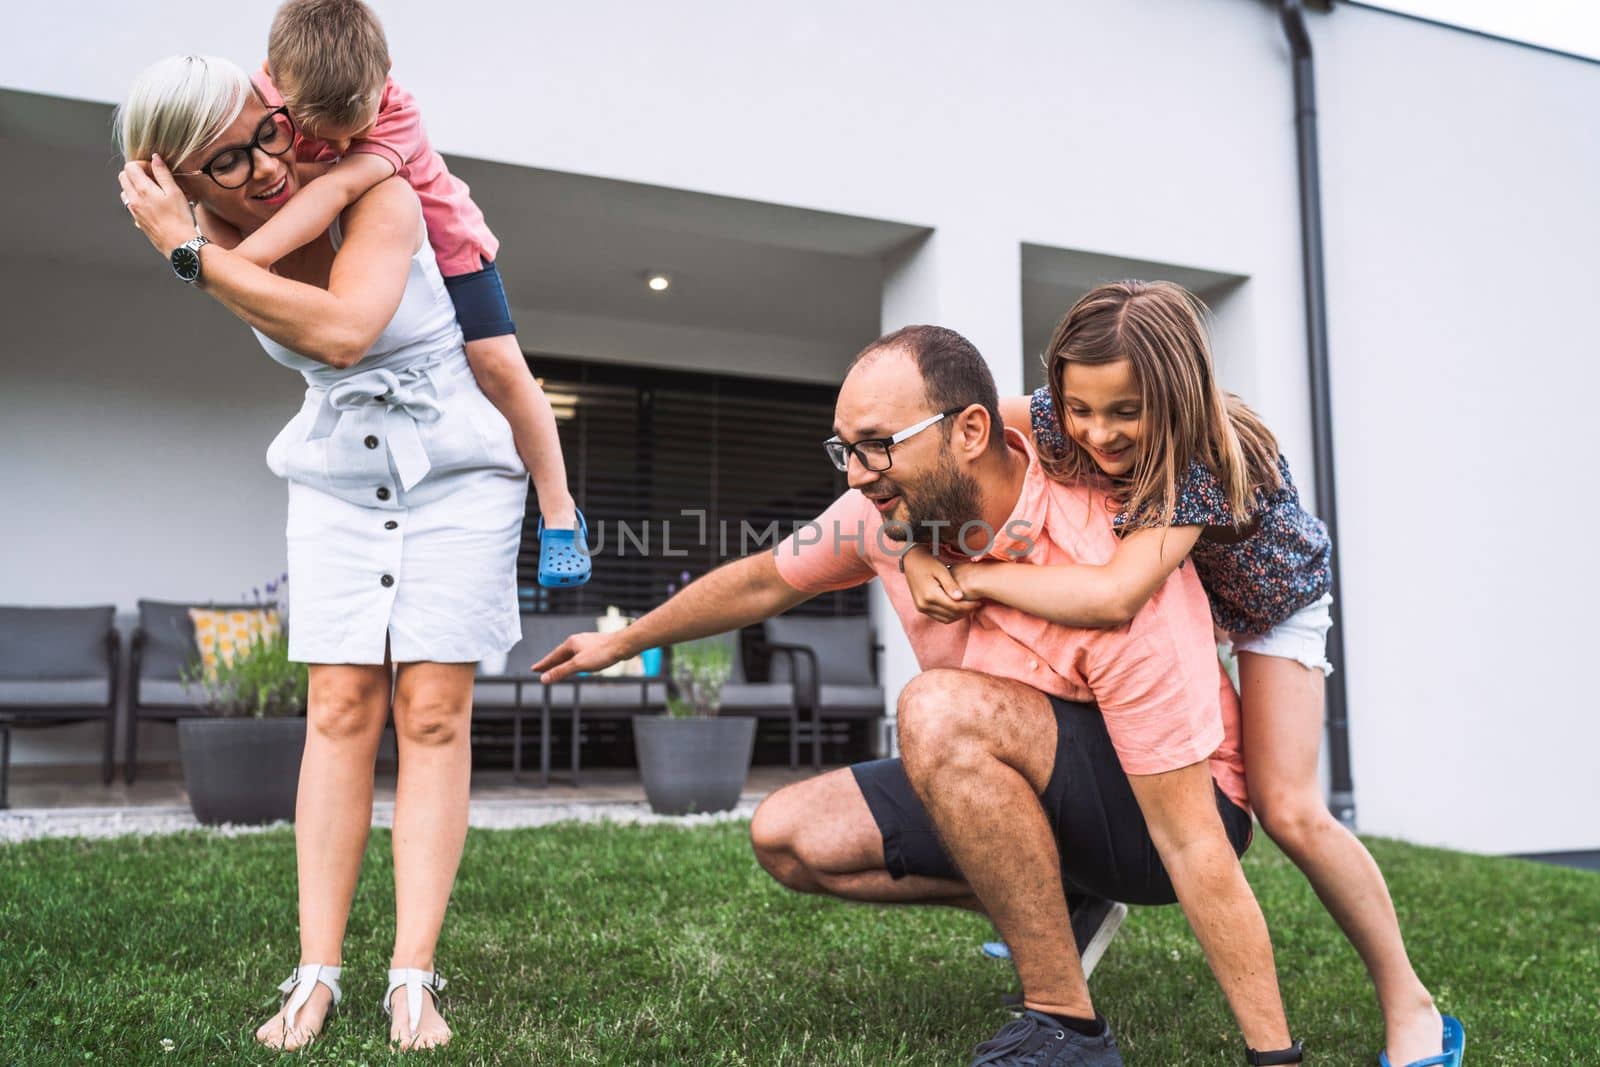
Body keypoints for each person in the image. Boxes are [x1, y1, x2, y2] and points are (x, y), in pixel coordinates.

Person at [535, 325, 1306, 1066]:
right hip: (1019, 766)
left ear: (970, 431)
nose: (856, 471)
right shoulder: (890, 519)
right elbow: (766, 577)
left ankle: (1066, 1026)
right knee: (789, 833)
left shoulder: (1109, 562)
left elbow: (1194, 845)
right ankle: (1067, 904)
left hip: (1171, 815)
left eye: (876, 445)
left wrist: (1276, 1056)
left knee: (937, 707)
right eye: (845, 448)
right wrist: (622, 640)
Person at [902, 281, 1461, 1067]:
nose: (1096, 432)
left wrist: (977, 577)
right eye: (1080, 408)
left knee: (1288, 806)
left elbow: (1113, 593)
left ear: (1176, 393)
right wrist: (919, 547)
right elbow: (943, 446)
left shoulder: (1195, 456)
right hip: (1181, 592)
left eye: (1124, 411)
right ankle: (1091, 887)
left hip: (1269, 601)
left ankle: (1413, 1003)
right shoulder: (1058, 411)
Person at [117, 54, 524, 1050]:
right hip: (340, 472)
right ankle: (316, 974)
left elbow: (344, 332)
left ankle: (412, 976)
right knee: (339, 708)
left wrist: (187, 257)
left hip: (456, 469)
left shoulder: (371, 183)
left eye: (266, 133)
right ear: (174, 177)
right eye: (226, 162)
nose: (263, 166)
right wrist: (198, 245)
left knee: (432, 714)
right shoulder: (213, 234)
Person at [220, 0, 587, 586]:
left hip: (450, 247)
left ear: (386, 68)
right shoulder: (255, 98)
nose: (349, 138)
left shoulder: (397, 114)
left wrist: (231, 267)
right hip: (363, 244)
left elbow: (331, 191)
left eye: (356, 128)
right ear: (275, 79)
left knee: (498, 366)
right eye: (321, 132)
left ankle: (559, 512)